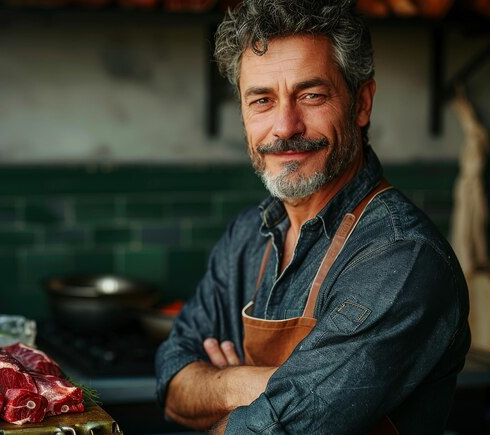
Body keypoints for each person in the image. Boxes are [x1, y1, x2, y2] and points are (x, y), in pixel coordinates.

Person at [154, 0, 471, 433]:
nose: (285, 126)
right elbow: (172, 383)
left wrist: (215, 389)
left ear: (361, 103)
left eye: (311, 95)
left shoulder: (403, 259)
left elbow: (279, 430)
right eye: (262, 100)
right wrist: (243, 384)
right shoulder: (248, 235)